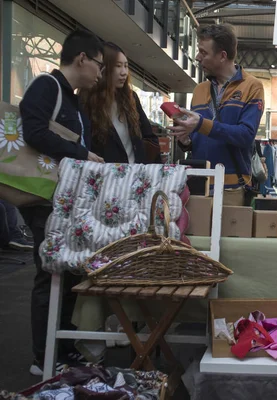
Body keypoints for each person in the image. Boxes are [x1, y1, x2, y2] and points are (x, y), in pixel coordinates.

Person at [19, 29, 105, 376]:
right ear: (81, 58)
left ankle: (62, 350)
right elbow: (34, 132)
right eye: (98, 64)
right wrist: (82, 154)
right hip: (43, 198)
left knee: (65, 275)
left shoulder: (71, 97)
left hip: (62, 199)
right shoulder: (47, 86)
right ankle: (44, 358)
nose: (100, 72)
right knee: (49, 274)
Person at [168, 23, 265, 206]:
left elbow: (245, 136)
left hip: (230, 188)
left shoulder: (252, 86)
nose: (197, 57)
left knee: (228, 235)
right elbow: (198, 138)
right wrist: (186, 139)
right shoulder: (199, 90)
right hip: (197, 184)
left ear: (222, 56)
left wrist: (200, 124)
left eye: (203, 53)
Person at [80, 42, 160, 164]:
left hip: (135, 174)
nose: (124, 72)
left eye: (126, 66)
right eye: (118, 66)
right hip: (105, 176)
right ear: (104, 68)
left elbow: (149, 136)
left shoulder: (131, 98)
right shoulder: (88, 100)